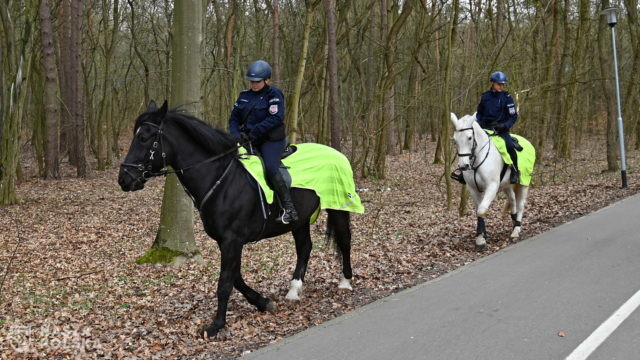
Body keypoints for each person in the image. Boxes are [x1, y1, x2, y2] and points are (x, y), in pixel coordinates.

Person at [229, 60, 298, 224]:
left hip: (270, 140)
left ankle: (289, 209)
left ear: (267, 80)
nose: (254, 84)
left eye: (257, 81)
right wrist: (235, 134)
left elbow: (276, 117)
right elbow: (234, 118)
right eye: (251, 81)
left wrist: (254, 132)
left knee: (271, 168)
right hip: (246, 139)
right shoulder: (244, 96)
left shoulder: (274, 95)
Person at [451, 71, 522, 185]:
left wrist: (504, 125)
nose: (501, 86)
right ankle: (464, 174)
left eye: (503, 84)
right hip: (484, 128)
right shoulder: (485, 97)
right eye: (499, 84)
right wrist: (478, 124)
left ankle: (515, 171)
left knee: (509, 146)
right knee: (469, 144)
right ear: (493, 83)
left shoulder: (507, 98)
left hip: (501, 130)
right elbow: (479, 114)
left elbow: (513, 117)